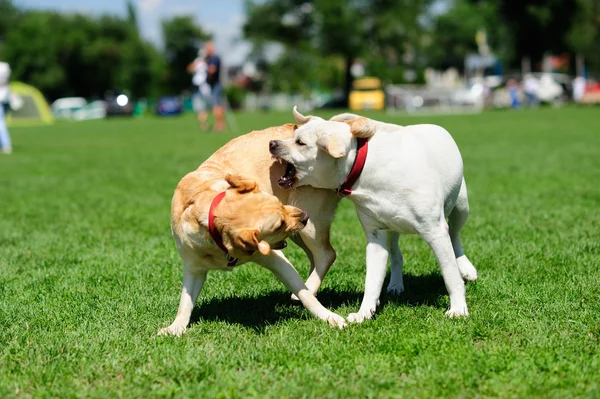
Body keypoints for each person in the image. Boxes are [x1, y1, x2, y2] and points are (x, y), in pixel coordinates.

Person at [202, 41, 225, 132]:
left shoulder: (214, 58)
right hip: (214, 85)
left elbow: (212, 70)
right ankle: (220, 125)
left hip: (216, 85)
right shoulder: (211, 58)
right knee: (217, 105)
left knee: (216, 106)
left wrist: (206, 70)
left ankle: (219, 125)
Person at [187, 48, 211, 130]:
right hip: (198, 86)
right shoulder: (198, 61)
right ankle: (203, 123)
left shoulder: (207, 62)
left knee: (205, 106)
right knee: (199, 106)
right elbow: (190, 69)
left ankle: (203, 122)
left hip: (203, 85)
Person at [0, 61, 12, 154]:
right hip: (5, 96)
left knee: (1, 122)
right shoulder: (5, 66)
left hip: (2, 96)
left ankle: (6, 145)